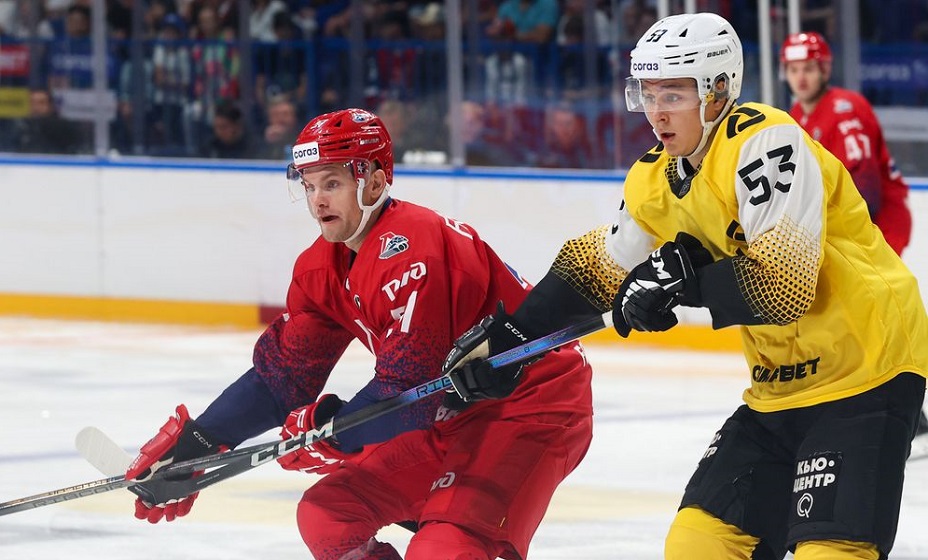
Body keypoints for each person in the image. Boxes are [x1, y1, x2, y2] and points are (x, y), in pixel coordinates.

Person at [443, 13, 928, 560]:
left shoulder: (765, 141)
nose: (656, 112)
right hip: (778, 387)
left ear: (718, 90)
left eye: (673, 93)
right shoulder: (652, 176)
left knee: (832, 551)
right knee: (698, 544)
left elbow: (785, 285)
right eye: (647, 93)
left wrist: (680, 283)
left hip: (868, 366)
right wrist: (513, 338)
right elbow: (597, 268)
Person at [125, 108, 593, 560]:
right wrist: (201, 441)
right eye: (309, 185)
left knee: (444, 549)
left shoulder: (415, 246)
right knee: (328, 516)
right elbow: (283, 377)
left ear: (373, 180)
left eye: (332, 183)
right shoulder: (320, 267)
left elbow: (410, 386)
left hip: (530, 403)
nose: (318, 201)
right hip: (448, 410)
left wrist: (328, 432)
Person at [780, 30, 928, 458]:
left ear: (825, 69)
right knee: (855, 321)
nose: (801, 77)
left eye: (809, 68)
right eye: (794, 69)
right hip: (845, 230)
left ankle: (903, 406)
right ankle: (905, 411)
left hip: (875, 224)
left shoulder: (846, 109)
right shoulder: (796, 115)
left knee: (872, 317)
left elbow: (864, 188)